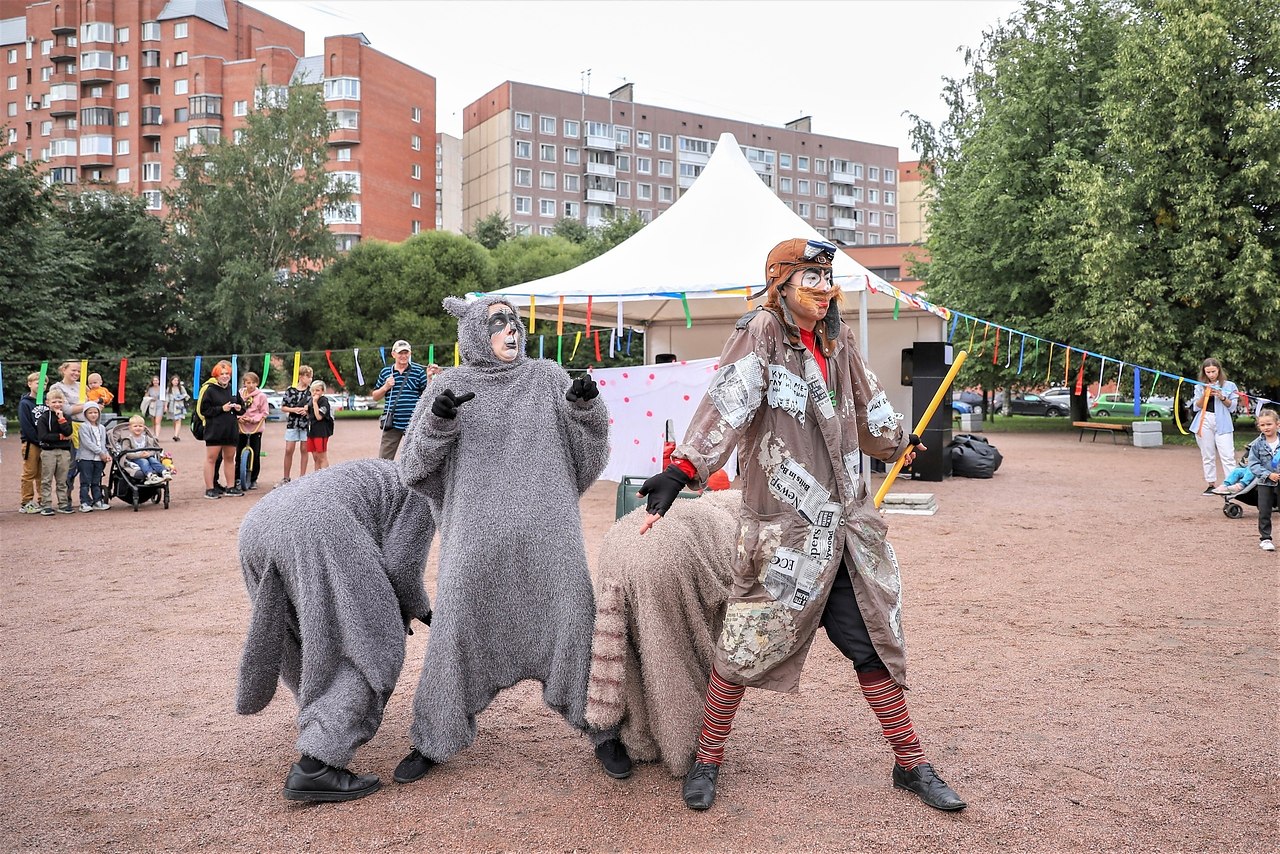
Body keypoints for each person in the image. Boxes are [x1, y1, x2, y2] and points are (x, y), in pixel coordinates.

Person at [638, 237, 966, 813]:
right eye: (809, 278)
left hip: (845, 531)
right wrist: (683, 467)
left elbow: (869, 406)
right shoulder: (759, 331)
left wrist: (896, 445)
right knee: (744, 644)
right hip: (785, 533)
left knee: (871, 644)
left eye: (826, 278)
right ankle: (707, 758)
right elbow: (729, 401)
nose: (821, 288)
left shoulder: (838, 343)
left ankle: (910, 764)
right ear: (781, 283)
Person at [393, 295, 630, 785]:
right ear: (476, 332)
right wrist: (438, 423)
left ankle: (604, 731)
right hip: (475, 544)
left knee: (575, 619)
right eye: (498, 321)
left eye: (515, 321)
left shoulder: (547, 378)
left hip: (551, 539)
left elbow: (589, 457)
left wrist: (586, 410)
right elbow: (412, 468)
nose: (512, 329)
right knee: (455, 629)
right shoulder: (449, 385)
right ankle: (433, 738)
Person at [236, 458, 436, 802]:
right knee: (373, 643)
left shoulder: (381, 470)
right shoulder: (422, 484)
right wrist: (423, 611)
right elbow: (402, 569)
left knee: (304, 636)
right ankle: (317, 765)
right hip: (318, 525)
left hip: (258, 524)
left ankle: (321, 724)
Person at [371, 340, 432, 461]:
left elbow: (428, 395)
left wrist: (429, 377)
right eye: (400, 353)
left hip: (414, 422)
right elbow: (375, 396)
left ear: (410, 354)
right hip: (392, 423)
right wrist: (386, 387)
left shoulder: (418, 372)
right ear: (393, 354)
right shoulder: (385, 372)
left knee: (416, 458)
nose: (403, 356)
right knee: (384, 459)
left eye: (406, 353)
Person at [1191, 358, 1239, 495]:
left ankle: (1232, 484)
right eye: (1208, 372)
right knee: (1207, 454)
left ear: (1219, 370)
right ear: (1204, 373)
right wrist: (1205, 394)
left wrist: (1222, 397)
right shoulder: (1199, 385)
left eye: (1213, 371)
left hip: (1223, 422)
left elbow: (1233, 407)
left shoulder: (1230, 386)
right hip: (1204, 420)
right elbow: (1196, 406)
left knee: (1228, 454)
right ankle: (1211, 484)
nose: (1211, 375)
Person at [198, 360, 244, 499]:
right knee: (211, 459)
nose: (225, 376)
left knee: (230, 458)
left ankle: (230, 487)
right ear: (216, 375)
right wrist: (221, 409)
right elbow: (204, 410)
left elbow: (243, 408)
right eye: (222, 374)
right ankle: (210, 488)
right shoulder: (210, 390)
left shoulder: (233, 389)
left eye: (227, 374)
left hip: (230, 428)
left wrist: (238, 408)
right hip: (215, 429)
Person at [35, 388, 74, 515]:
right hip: (48, 452)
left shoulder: (66, 417)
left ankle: (63, 503)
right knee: (46, 479)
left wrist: (61, 419)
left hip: (64, 452)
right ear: (48, 403)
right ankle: (46, 504)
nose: (57, 404)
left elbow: (68, 432)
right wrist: (60, 437)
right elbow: (43, 436)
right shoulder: (43, 418)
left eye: (59, 401)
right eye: (54, 402)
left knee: (62, 480)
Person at [1245, 409, 1280, 551]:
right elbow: (1253, 464)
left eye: (1269, 424)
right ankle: (1265, 538)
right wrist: (1267, 474)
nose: (1266, 427)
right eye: (1263, 425)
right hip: (1264, 483)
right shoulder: (1256, 444)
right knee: (1264, 511)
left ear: (1277, 424)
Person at [276, 365, 313, 487]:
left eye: (311, 377)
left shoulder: (311, 392)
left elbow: (314, 406)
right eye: (308, 376)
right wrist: (294, 410)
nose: (310, 379)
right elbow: (283, 407)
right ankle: (286, 477)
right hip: (293, 423)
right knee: (289, 449)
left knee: (304, 449)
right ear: (301, 377)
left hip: (305, 424)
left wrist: (307, 411)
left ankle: (303, 476)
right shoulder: (290, 390)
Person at [235, 372, 269, 491]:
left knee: (255, 453)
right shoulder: (239, 394)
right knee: (239, 454)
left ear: (257, 383)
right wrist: (240, 418)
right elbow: (236, 408)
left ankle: (253, 479)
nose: (250, 385)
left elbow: (264, 412)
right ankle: (238, 478)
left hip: (255, 428)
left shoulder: (261, 396)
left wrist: (253, 419)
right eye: (248, 383)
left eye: (253, 383)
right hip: (241, 427)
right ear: (244, 383)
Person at [75, 402, 112, 511]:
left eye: (95, 412)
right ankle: (85, 502)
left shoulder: (101, 427)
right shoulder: (83, 427)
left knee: (96, 481)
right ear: (85, 414)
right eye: (90, 413)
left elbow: (103, 443)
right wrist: (101, 453)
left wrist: (106, 454)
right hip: (86, 458)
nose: (93, 415)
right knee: (85, 481)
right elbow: (88, 443)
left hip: (98, 460)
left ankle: (97, 500)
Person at [18, 372, 43, 514]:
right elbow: (26, 426)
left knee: (42, 474)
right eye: (38, 383)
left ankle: (42, 500)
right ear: (30, 384)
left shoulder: (46, 401)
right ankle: (26, 502)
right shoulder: (25, 403)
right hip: (31, 443)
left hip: (45, 444)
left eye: (44, 384)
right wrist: (37, 440)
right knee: (29, 472)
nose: (41, 386)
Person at [123, 415, 171, 484]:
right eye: (135, 426)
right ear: (130, 428)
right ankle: (150, 475)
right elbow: (126, 453)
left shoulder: (147, 439)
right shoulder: (127, 439)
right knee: (144, 461)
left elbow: (152, 449)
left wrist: (149, 454)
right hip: (135, 458)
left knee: (153, 460)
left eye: (140, 426)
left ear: (144, 427)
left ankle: (164, 472)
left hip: (147, 456)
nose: (138, 428)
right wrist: (139, 455)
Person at [306, 379, 334, 472]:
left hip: (321, 431)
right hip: (311, 430)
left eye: (317, 390)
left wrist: (314, 403)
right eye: (313, 390)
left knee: (322, 456)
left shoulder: (323, 401)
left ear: (322, 391)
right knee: (315, 457)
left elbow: (318, 417)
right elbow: (310, 416)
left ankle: (326, 477)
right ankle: (316, 477)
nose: (315, 393)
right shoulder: (310, 400)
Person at [165, 375, 190, 441]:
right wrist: (165, 406)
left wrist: (181, 397)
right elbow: (167, 398)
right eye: (174, 380)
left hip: (179, 406)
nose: (176, 382)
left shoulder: (181, 388)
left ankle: (175, 435)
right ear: (171, 381)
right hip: (172, 406)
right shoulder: (169, 388)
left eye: (177, 380)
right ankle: (177, 434)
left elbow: (186, 395)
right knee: (174, 420)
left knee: (178, 420)